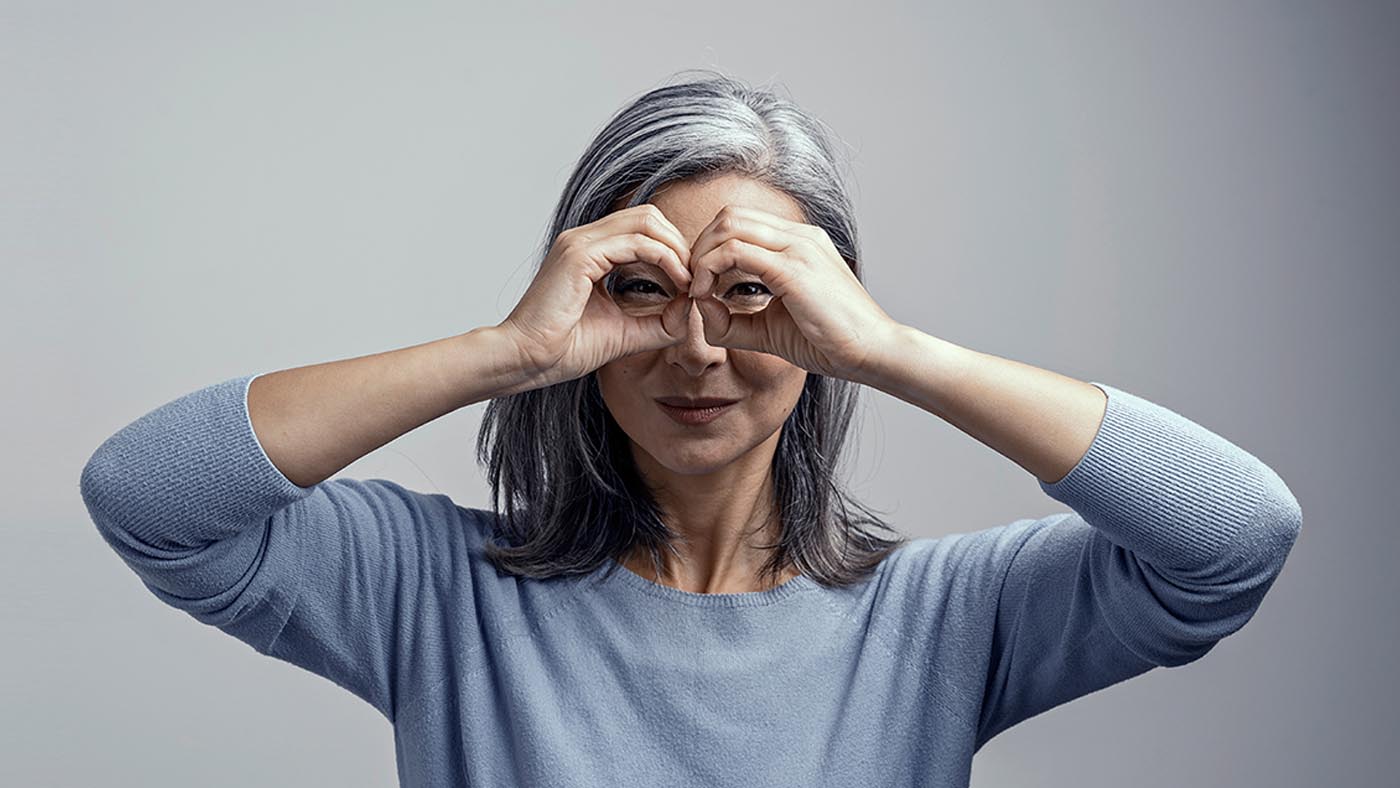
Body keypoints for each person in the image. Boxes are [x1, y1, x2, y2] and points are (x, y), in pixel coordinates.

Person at [79, 69, 1303, 787]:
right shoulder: (438, 590)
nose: (699, 350)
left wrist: (887, 349)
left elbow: (1234, 531)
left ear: (824, 318)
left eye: (752, 296)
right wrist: (511, 352)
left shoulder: (940, 615)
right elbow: (147, 493)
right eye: (644, 293)